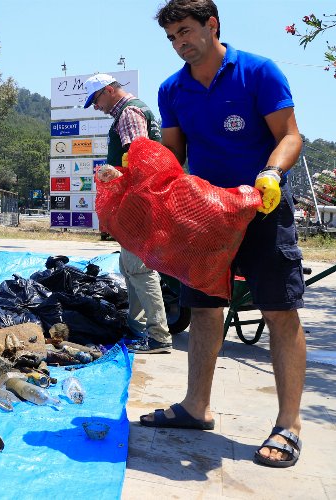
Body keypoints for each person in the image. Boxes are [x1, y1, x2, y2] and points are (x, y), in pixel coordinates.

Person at [143, 0, 305, 469]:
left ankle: (289, 424)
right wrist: (139, 175)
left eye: (186, 31)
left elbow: (290, 135)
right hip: (207, 216)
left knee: (279, 311)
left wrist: (272, 173)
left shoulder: (258, 72)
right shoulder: (172, 89)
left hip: (263, 208)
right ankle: (197, 407)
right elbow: (174, 156)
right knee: (204, 309)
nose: (179, 43)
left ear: (212, 25)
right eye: (172, 37)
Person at [85, 73, 172, 354]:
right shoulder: (129, 112)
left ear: (109, 90)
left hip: (138, 202)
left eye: (97, 99)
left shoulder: (129, 114)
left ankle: (158, 336)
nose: (96, 106)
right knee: (129, 267)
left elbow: (141, 161)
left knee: (138, 267)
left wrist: (114, 175)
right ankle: (137, 329)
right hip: (138, 200)